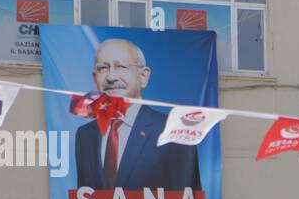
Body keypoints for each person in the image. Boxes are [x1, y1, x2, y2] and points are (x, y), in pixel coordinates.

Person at [73, 38, 202, 191]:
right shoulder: (85, 135)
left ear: (143, 76)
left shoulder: (173, 130)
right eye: (103, 68)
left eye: (121, 67)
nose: (111, 77)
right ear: (95, 78)